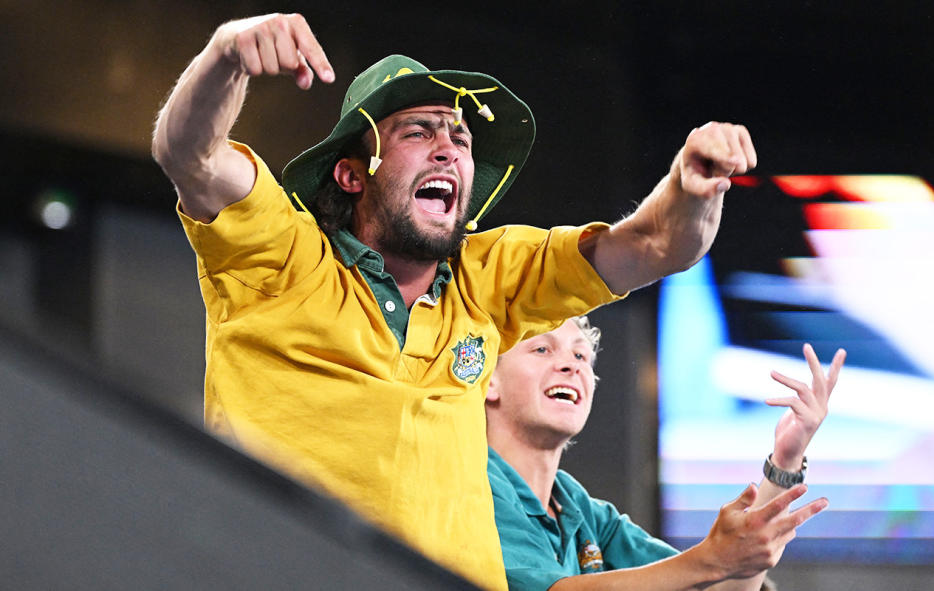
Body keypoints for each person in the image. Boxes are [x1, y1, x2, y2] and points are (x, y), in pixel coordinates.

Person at [151, 13, 756, 590]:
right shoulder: (282, 257)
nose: (448, 149)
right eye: (418, 131)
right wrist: (227, 52)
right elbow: (190, 155)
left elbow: (656, 245)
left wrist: (692, 186)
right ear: (352, 175)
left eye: (459, 137)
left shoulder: (487, 276)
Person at [485, 317, 846, 590]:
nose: (572, 365)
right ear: (487, 380)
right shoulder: (470, 484)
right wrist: (712, 559)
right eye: (542, 349)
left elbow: (719, 586)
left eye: (580, 354)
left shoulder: (579, 508)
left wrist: (784, 462)